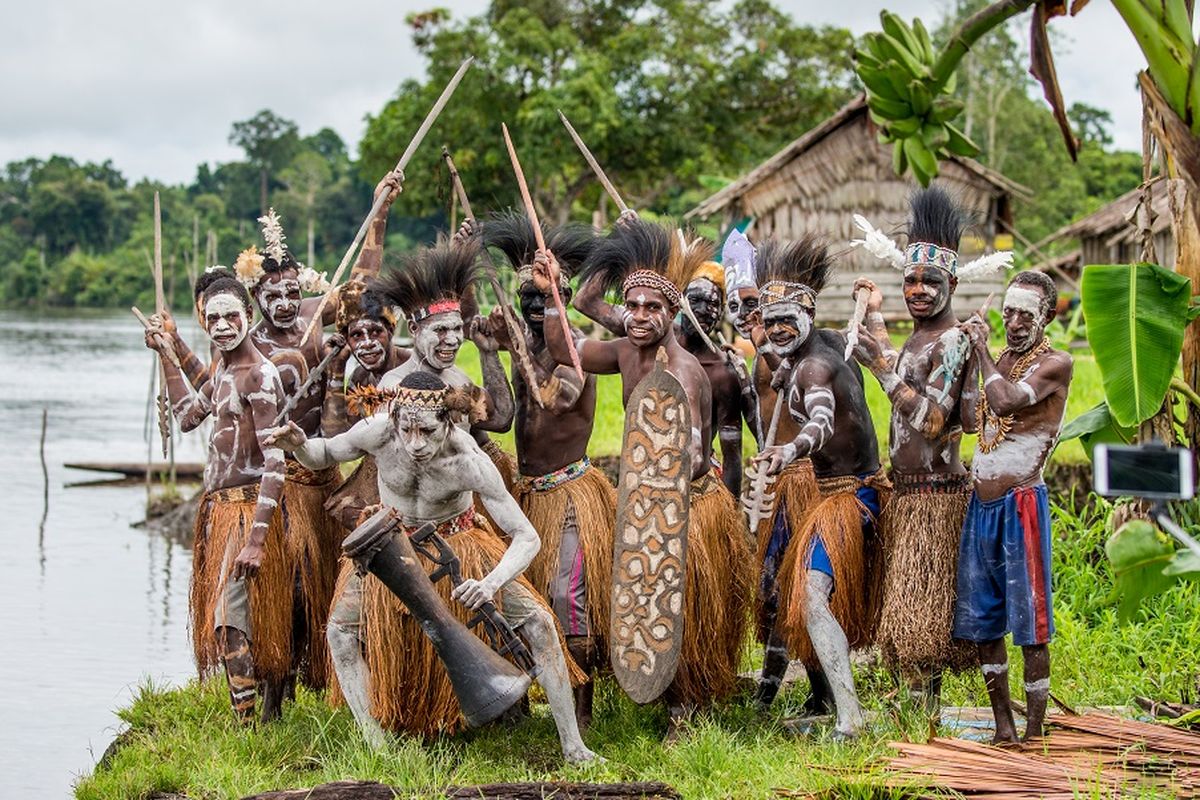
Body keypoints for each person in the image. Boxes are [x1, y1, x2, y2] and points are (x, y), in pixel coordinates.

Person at [266, 371, 597, 763]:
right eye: (406, 429)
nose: (414, 443)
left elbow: (527, 537)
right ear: (395, 419)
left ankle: (574, 748)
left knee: (540, 624)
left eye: (425, 431)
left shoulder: (468, 460)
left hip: (458, 545)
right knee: (340, 632)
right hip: (390, 547)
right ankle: (379, 750)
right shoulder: (379, 431)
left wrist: (490, 583)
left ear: (449, 421)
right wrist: (300, 445)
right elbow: (323, 453)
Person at [537, 218, 752, 741]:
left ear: (672, 312)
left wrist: (659, 518)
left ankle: (685, 707)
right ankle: (651, 689)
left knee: (681, 605)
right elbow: (570, 345)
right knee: (640, 598)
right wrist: (553, 294)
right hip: (644, 499)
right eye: (630, 306)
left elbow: (692, 457)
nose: (636, 316)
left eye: (650, 308)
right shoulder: (627, 351)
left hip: (689, 506)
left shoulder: (683, 371)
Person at [849, 186, 1009, 708]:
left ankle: (927, 708)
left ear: (953, 284)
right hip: (907, 496)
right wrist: (873, 314)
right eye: (910, 279)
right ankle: (917, 704)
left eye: (929, 281)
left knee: (928, 617)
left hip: (937, 499)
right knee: (910, 614)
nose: (917, 289)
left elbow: (935, 420)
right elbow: (896, 360)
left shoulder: (955, 340)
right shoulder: (919, 338)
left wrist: (880, 372)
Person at [481, 212, 615, 732]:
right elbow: (501, 415)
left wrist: (512, 342)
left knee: (569, 599)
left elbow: (555, 399)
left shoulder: (574, 351)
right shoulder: (523, 346)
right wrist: (487, 347)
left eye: (546, 300)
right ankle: (523, 699)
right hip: (527, 494)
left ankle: (581, 710)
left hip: (571, 494)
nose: (536, 310)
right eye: (528, 302)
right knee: (521, 598)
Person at [753, 237, 887, 740]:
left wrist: (788, 452)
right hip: (849, 490)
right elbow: (783, 365)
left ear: (808, 314)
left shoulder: (813, 366)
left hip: (848, 496)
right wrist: (873, 312)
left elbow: (821, 418)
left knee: (811, 596)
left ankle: (849, 716)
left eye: (788, 319)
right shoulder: (825, 340)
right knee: (809, 596)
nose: (778, 329)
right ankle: (841, 704)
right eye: (771, 321)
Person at [143, 273, 293, 723]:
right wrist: (168, 355)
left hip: (249, 511)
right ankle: (250, 723)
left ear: (249, 316)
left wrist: (257, 540)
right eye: (213, 319)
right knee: (232, 620)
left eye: (231, 316)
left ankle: (247, 729)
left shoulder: (259, 376)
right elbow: (189, 416)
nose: (223, 325)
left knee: (230, 620)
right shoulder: (225, 369)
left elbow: (277, 461)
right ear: (205, 325)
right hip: (221, 511)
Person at [954, 270, 1072, 743]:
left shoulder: (1056, 364)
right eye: (1009, 312)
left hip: (1021, 502)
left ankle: (1036, 730)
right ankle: (1004, 726)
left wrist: (982, 352)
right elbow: (970, 422)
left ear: (1045, 316)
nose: (1015, 321)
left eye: (1026, 313)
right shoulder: (1000, 359)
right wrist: (964, 360)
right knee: (984, 621)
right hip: (981, 505)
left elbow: (1003, 403)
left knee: (1030, 620)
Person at [232, 207, 347, 690]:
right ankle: (275, 683)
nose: (282, 302)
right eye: (271, 294)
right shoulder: (246, 343)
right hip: (277, 485)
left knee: (325, 580)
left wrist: (380, 209)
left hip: (321, 476)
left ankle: (324, 678)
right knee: (286, 586)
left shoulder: (316, 321)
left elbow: (360, 281)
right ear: (255, 298)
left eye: (291, 293)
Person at [375, 236, 516, 483]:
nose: (452, 340)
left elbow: (501, 419)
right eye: (441, 330)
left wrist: (488, 352)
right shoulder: (393, 386)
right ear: (413, 329)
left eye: (457, 329)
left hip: (458, 509)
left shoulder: (458, 379)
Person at [677, 259, 755, 498]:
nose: (702, 309)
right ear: (679, 302)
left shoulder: (723, 373)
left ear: (720, 312)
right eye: (695, 300)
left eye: (712, 303)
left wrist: (728, 518)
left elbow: (732, 455)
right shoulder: (655, 344)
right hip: (647, 475)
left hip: (697, 486)